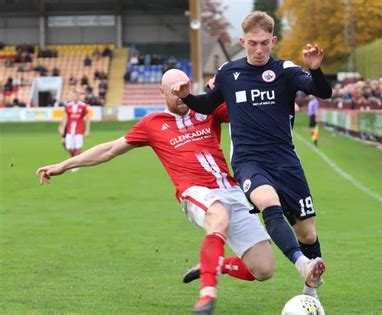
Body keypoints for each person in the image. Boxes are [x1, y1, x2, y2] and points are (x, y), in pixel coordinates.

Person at [37, 69, 274, 315]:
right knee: (219, 215)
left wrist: (223, 87)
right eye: (175, 92)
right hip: (196, 191)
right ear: (162, 93)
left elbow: (245, 107)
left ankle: (215, 264)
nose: (182, 96)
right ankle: (206, 298)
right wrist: (64, 165)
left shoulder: (207, 110)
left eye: (185, 89)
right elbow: (109, 149)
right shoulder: (152, 124)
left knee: (263, 269)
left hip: (231, 190)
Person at [172, 10, 332, 308]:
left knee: (307, 234)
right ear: (242, 41)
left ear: (273, 40)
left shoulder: (286, 70)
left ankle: (310, 294)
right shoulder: (228, 73)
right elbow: (208, 105)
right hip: (249, 161)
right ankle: (301, 265)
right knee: (267, 202)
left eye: (264, 44)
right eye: (252, 44)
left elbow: (321, 91)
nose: (258, 50)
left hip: (286, 161)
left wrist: (317, 70)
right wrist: (188, 97)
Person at [58, 91, 90, 171]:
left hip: (79, 130)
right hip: (69, 130)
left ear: (78, 96)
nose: (74, 97)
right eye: (72, 96)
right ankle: (75, 160)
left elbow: (87, 118)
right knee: (69, 147)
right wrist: (62, 127)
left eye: (75, 96)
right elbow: (65, 118)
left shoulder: (83, 106)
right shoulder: (68, 106)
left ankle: (75, 165)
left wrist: (87, 130)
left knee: (78, 148)